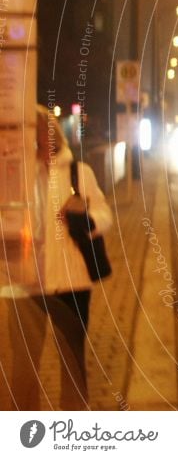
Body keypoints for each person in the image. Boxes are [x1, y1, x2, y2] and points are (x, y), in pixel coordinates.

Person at [7, 105, 113, 409]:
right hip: (27, 284)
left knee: (72, 364)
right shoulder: (15, 175)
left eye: (39, 135)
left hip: (73, 280)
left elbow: (104, 213)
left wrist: (87, 219)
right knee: (24, 367)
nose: (36, 143)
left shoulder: (80, 173)